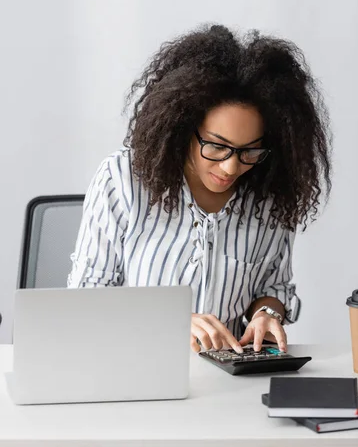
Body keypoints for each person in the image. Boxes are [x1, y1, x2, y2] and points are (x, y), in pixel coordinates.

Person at [67, 24, 332, 354]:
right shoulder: (124, 179)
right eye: (217, 146)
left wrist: (266, 314)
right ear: (183, 127)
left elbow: (271, 287)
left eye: (249, 150)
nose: (231, 167)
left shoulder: (269, 198)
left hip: (228, 378)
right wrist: (171, 321)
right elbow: (87, 295)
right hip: (135, 366)